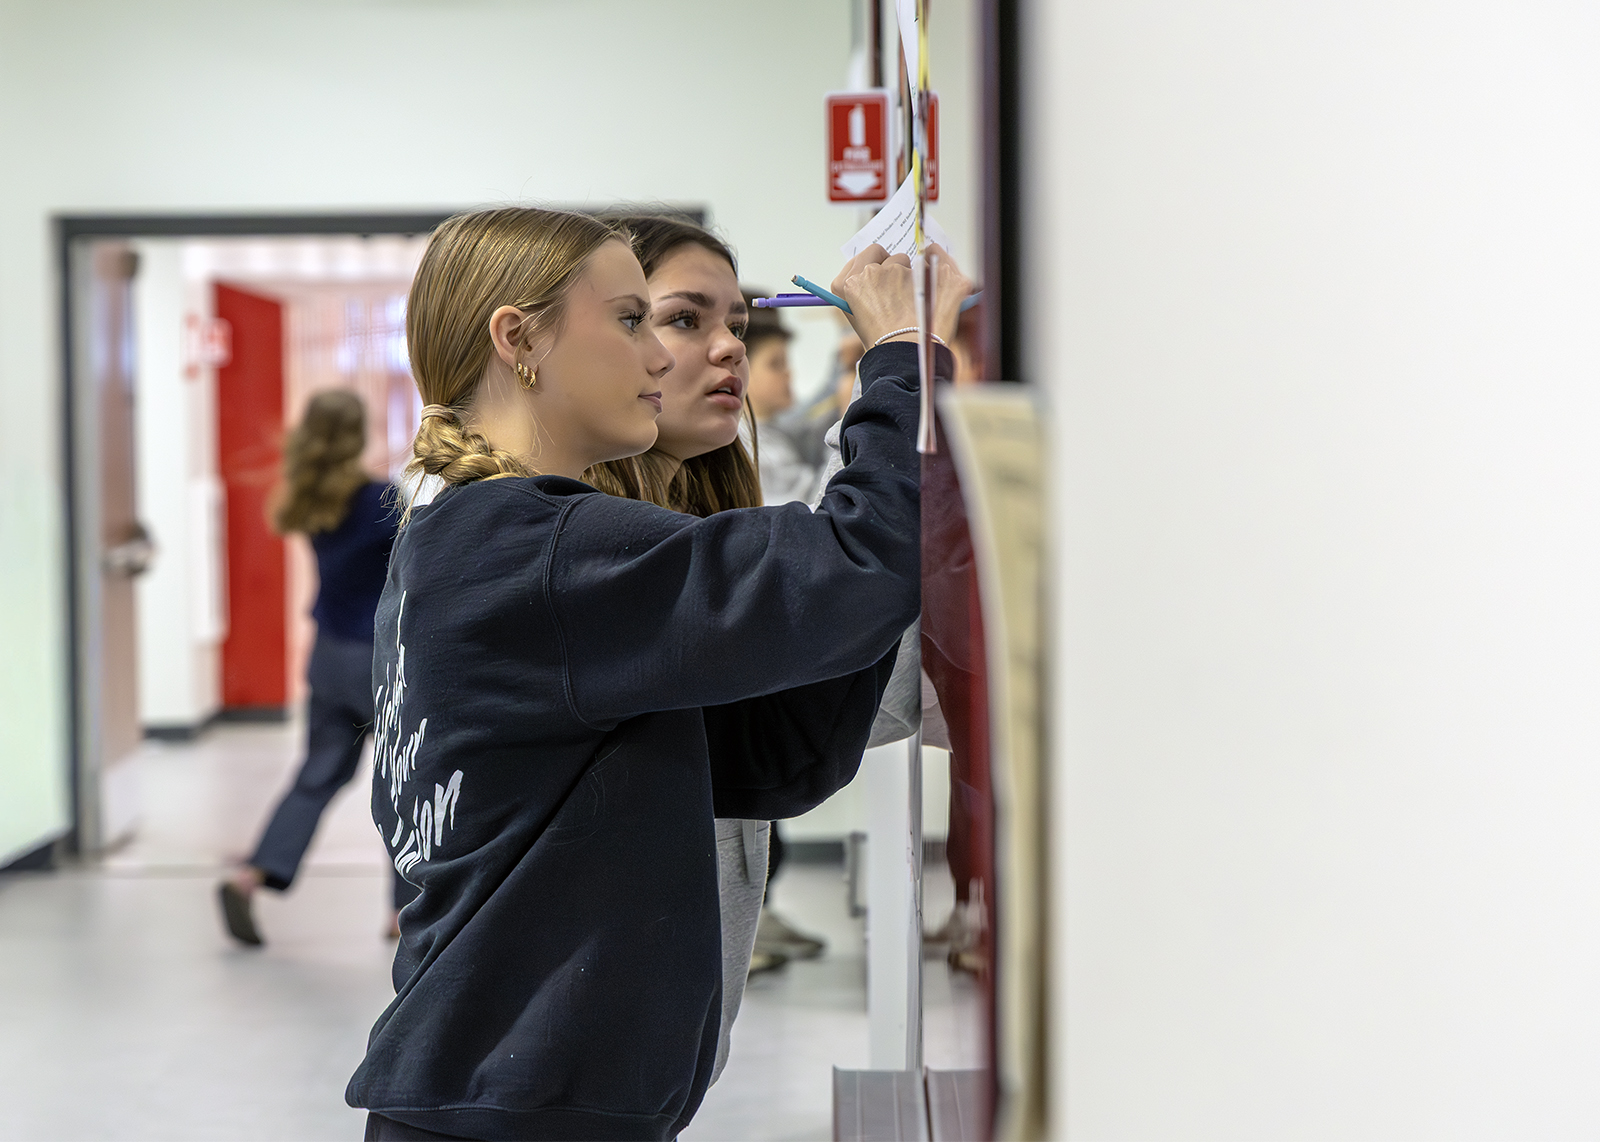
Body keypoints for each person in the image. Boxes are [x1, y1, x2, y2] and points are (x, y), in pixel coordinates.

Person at [346, 205, 968, 1142]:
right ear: (519, 339)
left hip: (510, 1105)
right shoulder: (538, 547)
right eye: (634, 321)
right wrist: (904, 355)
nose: (659, 358)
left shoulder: (473, 541)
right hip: (512, 1114)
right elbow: (856, 564)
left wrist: (849, 626)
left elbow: (767, 759)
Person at [216, 390, 417, 947]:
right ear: (359, 433)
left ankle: (250, 874)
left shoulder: (307, 499)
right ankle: (402, 912)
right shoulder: (381, 497)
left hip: (326, 656)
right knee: (402, 783)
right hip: (378, 659)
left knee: (317, 774)